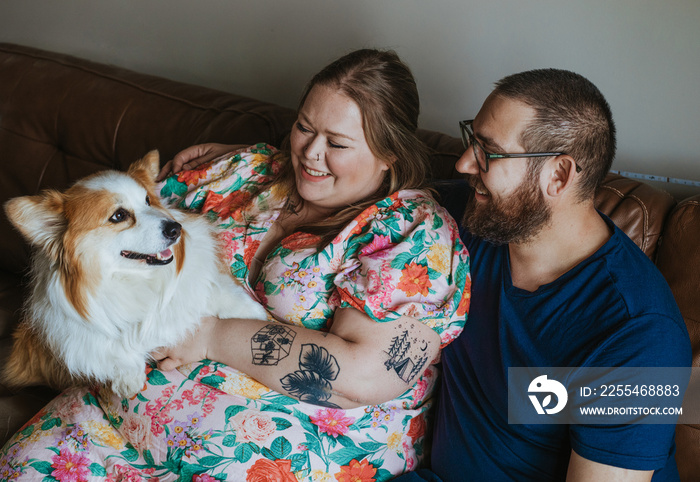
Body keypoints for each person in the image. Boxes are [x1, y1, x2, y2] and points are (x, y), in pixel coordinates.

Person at [0, 49, 470, 481]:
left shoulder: (411, 233)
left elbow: (364, 375)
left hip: (284, 448)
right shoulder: (247, 171)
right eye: (305, 127)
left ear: (389, 153)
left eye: (337, 143)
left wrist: (209, 336)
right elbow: (117, 225)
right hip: (116, 418)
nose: (309, 153)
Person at [397, 69, 691, 481]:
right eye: (471, 138)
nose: (465, 163)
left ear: (558, 175)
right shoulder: (469, 220)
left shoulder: (639, 335)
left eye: (489, 151)